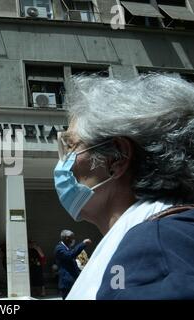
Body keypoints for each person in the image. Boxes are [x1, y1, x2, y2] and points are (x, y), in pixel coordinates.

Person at [54, 74, 194, 299]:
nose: (63, 163)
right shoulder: (157, 236)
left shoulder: (156, 249)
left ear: (117, 158)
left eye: (70, 146)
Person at [54, 230, 91, 299]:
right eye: (72, 238)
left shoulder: (67, 248)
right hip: (67, 283)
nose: (73, 240)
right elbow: (70, 255)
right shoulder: (59, 248)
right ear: (67, 238)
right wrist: (83, 244)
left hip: (73, 281)